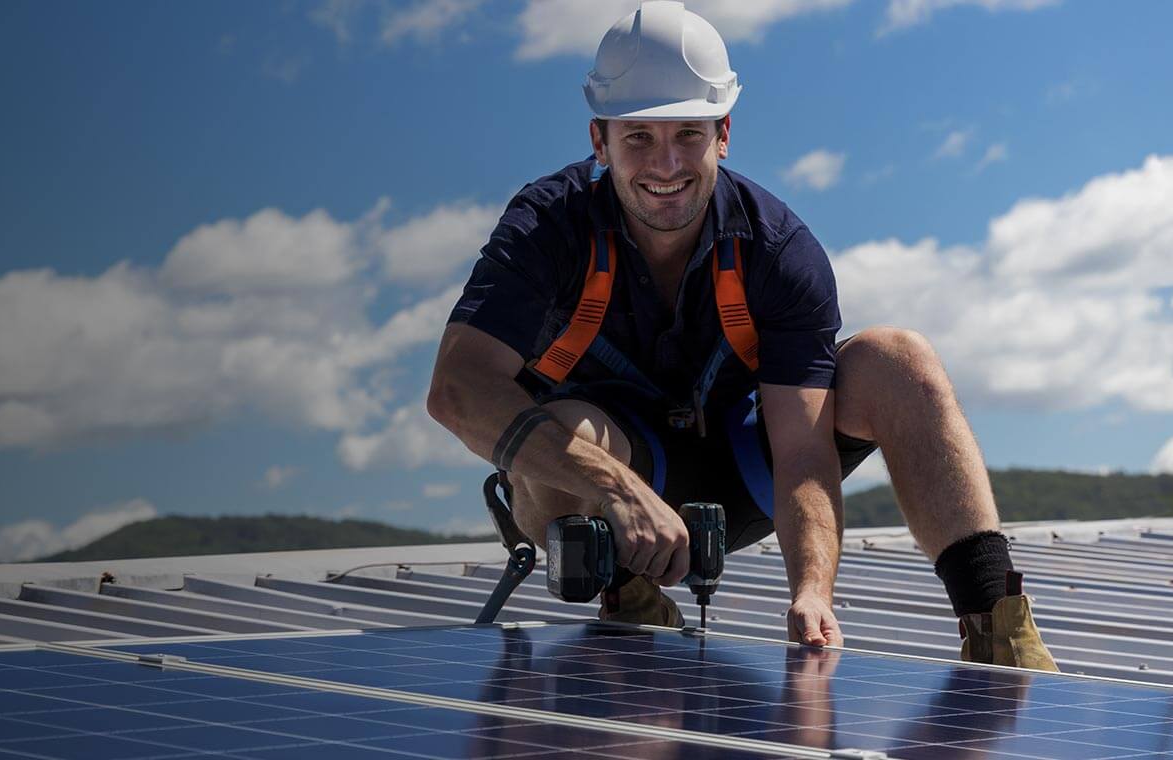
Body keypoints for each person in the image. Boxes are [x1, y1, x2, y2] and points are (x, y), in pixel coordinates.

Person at [425, 0, 1057, 670]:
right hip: (605, 492)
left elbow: (804, 452)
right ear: (598, 139)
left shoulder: (778, 249)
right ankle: (630, 594)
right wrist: (618, 489)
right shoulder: (546, 227)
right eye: (638, 137)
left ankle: (1000, 629)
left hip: (745, 475)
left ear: (723, 133)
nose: (665, 164)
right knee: (568, 426)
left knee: (897, 358)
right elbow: (457, 389)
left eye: (687, 135)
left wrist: (813, 591)